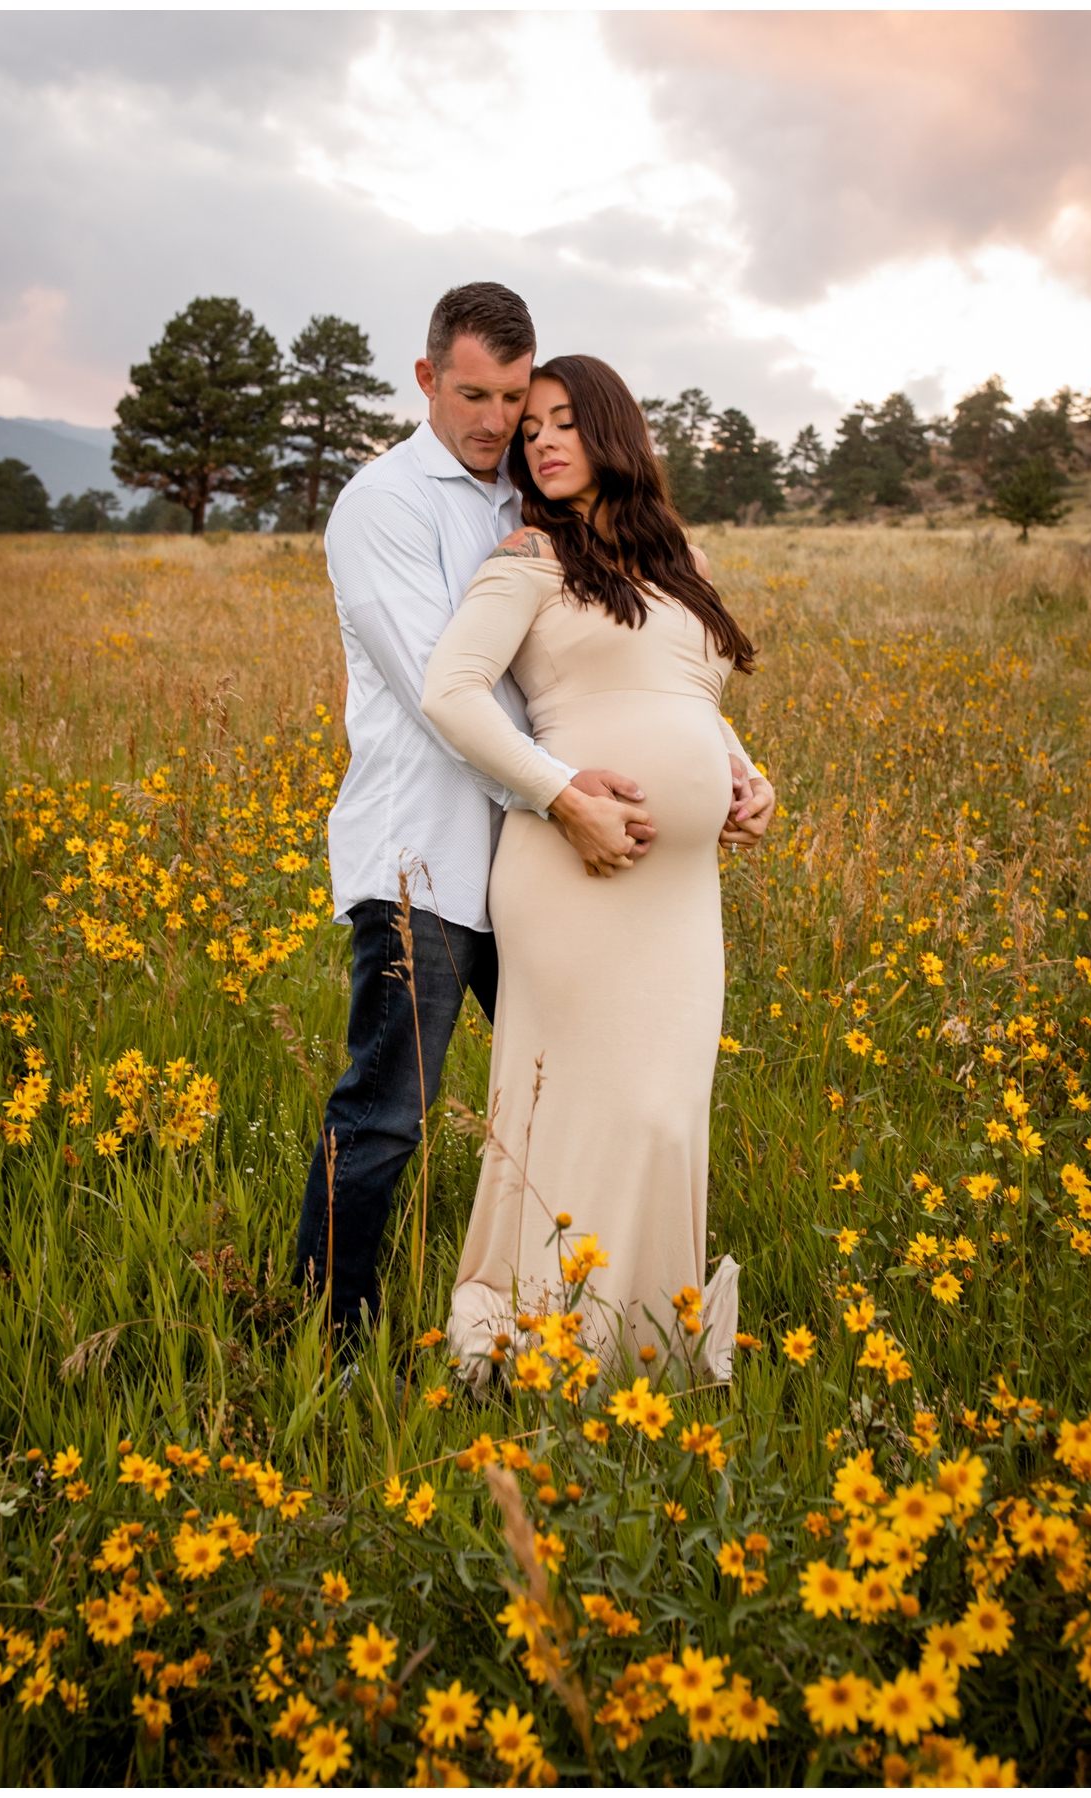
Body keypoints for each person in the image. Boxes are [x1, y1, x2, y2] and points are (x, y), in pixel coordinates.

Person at [292, 281, 772, 1348]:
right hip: (429, 854)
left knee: (571, 1106)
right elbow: (449, 687)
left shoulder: (527, 500)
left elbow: (637, 663)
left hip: (551, 857)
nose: (500, 421)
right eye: (476, 395)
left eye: (518, 398)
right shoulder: (386, 505)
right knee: (387, 1114)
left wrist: (723, 767)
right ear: (426, 379)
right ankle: (325, 1336)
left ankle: (589, 1322)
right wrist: (565, 793)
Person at [422, 352, 772, 1379]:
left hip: (680, 894)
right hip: (575, 873)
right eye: (532, 430)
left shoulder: (682, 567)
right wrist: (560, 791)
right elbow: (452, 691)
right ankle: (539, 1333)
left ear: (614, 428)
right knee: (583, 1109)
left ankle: (635, 1343)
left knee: (665, 1114)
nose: (544, 441)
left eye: (565, 420)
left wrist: (746, 776)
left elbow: (691, 699)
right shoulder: (530, 557)